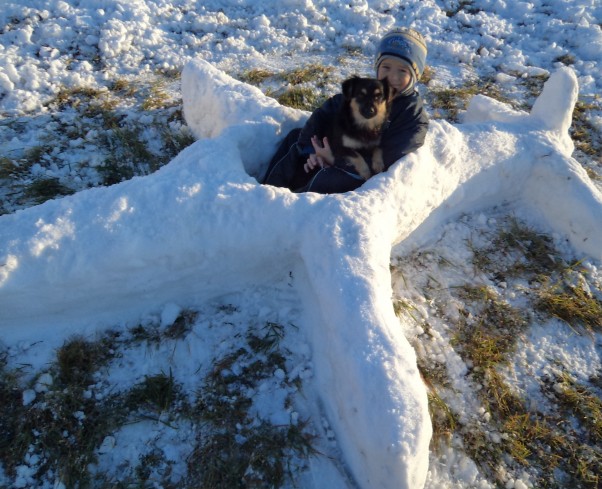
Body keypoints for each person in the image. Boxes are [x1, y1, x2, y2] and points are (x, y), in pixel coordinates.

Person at [261, 27, 429, 194]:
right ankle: (266, 192)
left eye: (402, 70)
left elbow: (385, 158)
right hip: (334, 152)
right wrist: (316, 149)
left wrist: (334, 159)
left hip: (357, 171)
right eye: (386, 67)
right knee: (296, 138)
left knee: (331, 180)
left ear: (416, 75)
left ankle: (296, 209)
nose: (392, 76)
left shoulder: (413, 117)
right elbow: (327, 112)